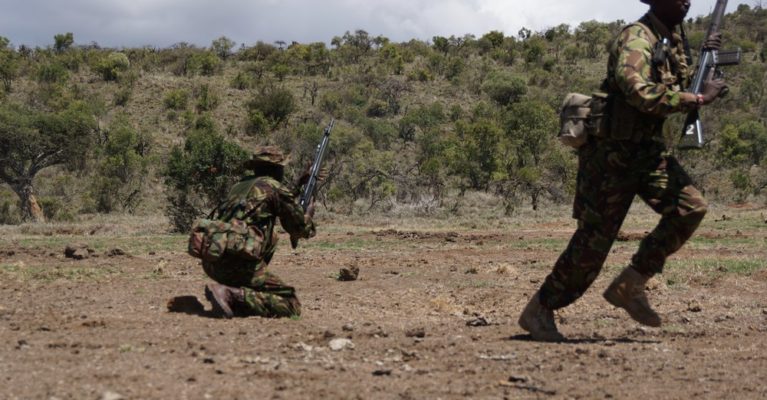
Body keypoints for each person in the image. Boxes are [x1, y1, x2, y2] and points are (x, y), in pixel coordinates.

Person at [518, 0, 728, 341]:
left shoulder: (671, 41)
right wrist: (697, 99)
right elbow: (639, 93)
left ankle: (630, 284)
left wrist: (706, 59)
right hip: (611, 154)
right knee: (593, 241)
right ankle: (540, 308)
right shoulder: (637, 38)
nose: (687, 0)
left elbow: (675, 85)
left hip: (645, 151)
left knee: (689, 208)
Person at [201, 146, 318, 318]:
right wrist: (308, 214)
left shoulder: (239, 186)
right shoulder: (275, 188)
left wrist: (297, 186)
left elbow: (267, 199)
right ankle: (231, 295)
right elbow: (300, 229)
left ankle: (232, 292)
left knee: (269, 234)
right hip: (238, 264)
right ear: (276, 169)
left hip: (213, 262)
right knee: (290, 303)